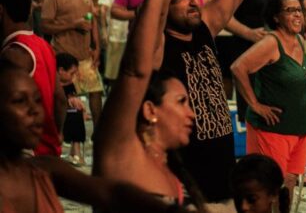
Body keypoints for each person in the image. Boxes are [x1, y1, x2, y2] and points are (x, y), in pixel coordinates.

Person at [159, 0, 285, 203]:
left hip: (221, 175)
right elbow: (155, 2)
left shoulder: (203, 27)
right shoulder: (156, 45)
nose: (192, 1)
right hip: (182, 182)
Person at [93, 0, 203, 209]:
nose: (190, 112)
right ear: (150, 110)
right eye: (181, 102)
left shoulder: (170, 167)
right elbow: (136, 70)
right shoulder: (121, 150)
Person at [0, 64, 194, 213]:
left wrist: (169, 210)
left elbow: (112, 193)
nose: (34, 110)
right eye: (19, 101)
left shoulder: (44, 170)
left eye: (38, 100)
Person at [230, 0, 306, 206]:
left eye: (300, 10)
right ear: (276, 17)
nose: (297, 15)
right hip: (272, 131)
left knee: (288, 187)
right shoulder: (271, 42)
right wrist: (256, 106)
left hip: (299, 129)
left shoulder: (298, 41)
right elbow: (238, 67)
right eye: (290, 10)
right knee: (268, 189)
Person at [0, 0, 65, 157]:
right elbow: (60, 99)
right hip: (49, 153)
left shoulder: (13, 53)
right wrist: (57, 134)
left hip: (28, 156)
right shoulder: (42, 44)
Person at [41, 0, 103, 128]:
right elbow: (45, 26)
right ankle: (69, 138)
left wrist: (97, 46)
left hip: (86, 55)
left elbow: (93, 22)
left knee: (96, 93)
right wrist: (73, 24)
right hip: (65, 57)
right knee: (68, 100)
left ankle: (98, 133)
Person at [98, 0, 133, 81]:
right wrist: (103, 31)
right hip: (115, 33)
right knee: (113, 73)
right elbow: (103, 9)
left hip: (132, 34)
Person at [56, 53, 86, 166]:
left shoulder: (69, 84)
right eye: (71, 73)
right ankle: (74, 151)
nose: (73, 77)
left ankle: (76, 149)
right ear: (61, 70)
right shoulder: (50, 80)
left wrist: (75, 102)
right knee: (73, 113)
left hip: (64, 112)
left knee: (76, 111)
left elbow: (72, 98)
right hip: (52, 113)